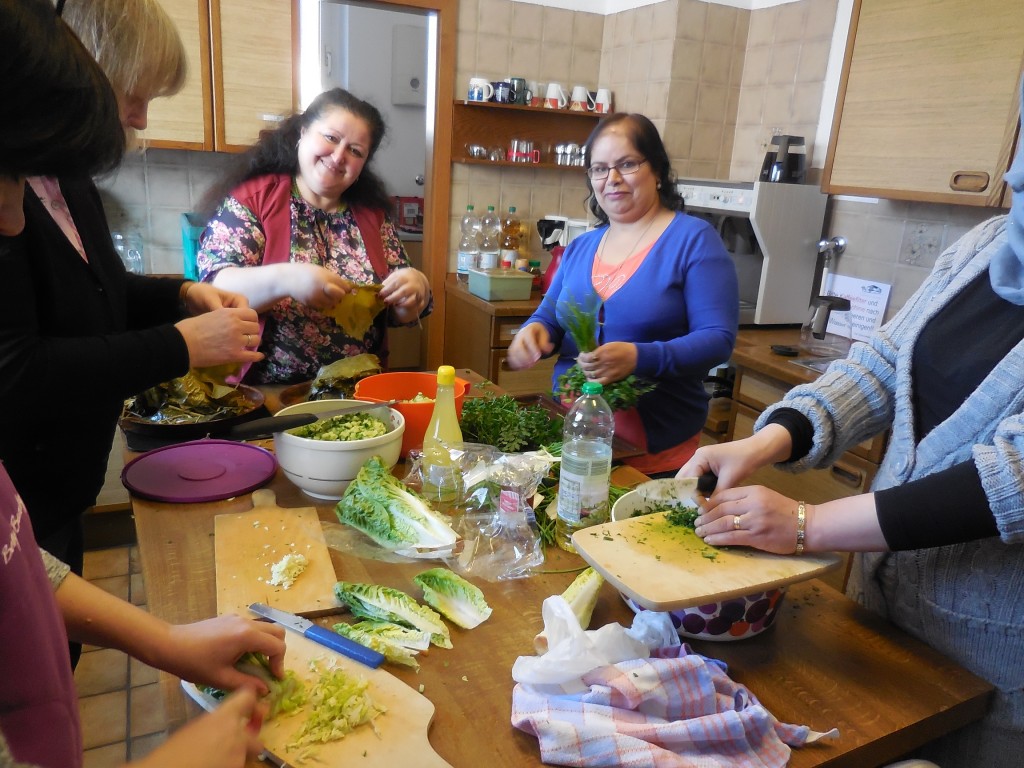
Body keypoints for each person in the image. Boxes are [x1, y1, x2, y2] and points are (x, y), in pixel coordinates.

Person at [679, 78, 1024, 768]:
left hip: (994, 670)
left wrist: (805, 527)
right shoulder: (988, 244)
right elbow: (880, 363)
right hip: (878, 621)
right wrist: (766, 439)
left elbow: (1011, 480)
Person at [0, 4, 285, 767]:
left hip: (48, 500)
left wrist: (183, 296)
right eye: (138, 91)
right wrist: (178, 347)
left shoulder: (63, 178)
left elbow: (21, 565)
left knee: (46, 675)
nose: (14, 222)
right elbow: (18, 369)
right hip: (33, 476)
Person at [506, 113, 738, 476]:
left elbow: (717, 341)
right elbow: (550, 314)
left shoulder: (693, 240)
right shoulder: (582, 246)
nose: (611, 179)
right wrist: (535, 332)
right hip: (571, 433)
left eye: (627, 164)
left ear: (657, 170)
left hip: (653, 451)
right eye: (599, 169)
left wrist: (638, 357)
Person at [195, 87, 433, 384]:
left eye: (355, 150)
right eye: (331, 138)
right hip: (266, 394)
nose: (338, 156)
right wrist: (287, 279)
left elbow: (402, 312)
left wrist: (415, 289)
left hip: (357, 392)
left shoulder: (373, 217)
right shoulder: (255, 199)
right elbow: (215, 288)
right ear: (303, 132)